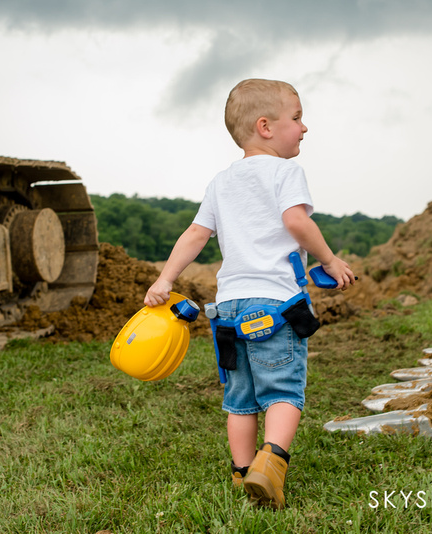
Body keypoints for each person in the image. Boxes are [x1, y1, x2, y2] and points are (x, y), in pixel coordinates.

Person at [144, 78, 355, 509]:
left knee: (239, 399)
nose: (304, 127)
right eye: (297, 118)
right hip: (275, 304)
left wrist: (165, 278)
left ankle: (243, 476)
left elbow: (195, 234)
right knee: (282, 391)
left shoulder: (222, 182)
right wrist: (330, 260)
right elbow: (296, 222)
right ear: (265, 126)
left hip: (230, 309)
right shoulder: (285, 171)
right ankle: (271, 464)